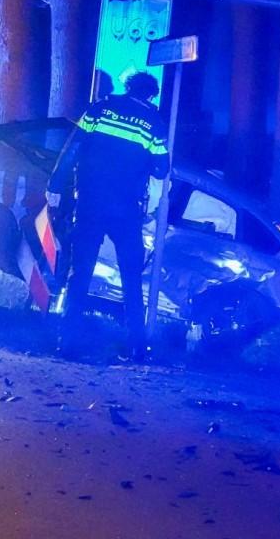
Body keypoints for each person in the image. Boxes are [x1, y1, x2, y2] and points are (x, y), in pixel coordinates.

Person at [47, 71, 170, 358]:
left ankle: (67, 342)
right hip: (126, 210)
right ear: (151, 95)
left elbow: (73, 148)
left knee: (81, 272)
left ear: (128, 88)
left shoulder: (99, 108)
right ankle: (137, 346)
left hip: (90, 203)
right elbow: (161, 169)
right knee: (131, 276)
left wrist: (55, 185)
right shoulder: (153, 122)